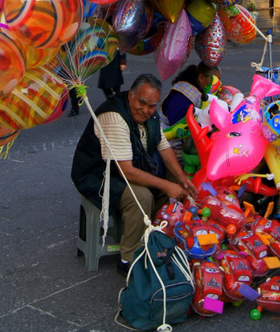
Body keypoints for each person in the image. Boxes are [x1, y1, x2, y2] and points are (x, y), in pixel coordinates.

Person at [71, 73, 197, 274]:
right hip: (98, 175)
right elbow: (126, 171)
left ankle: (152, 236)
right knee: (143, 195)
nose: (146, 110)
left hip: (129, 168)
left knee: (176, 183)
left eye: (152, 105)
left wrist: (181, 178)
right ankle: (128, 257)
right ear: (131, 95)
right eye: (142, 103)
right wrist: (166, 185)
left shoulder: (151, 115)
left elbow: (163, 147)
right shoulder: (114, 116)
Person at [161, 61, 218, 126]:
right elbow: (178, 122)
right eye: (215, 80)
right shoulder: (182, 95)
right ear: (201, 78)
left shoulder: (200, 91)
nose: (217, 84)